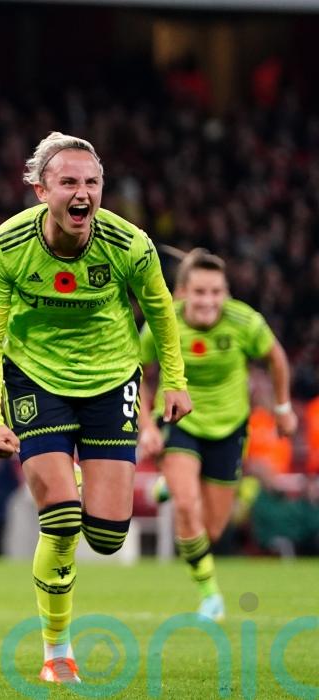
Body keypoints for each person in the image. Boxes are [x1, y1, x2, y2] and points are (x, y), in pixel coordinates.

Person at [0, 132, 191, 685]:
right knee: (62, 519)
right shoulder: (8, 245)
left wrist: (174, 382)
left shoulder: (129, 244)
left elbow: (162, 312)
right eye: (68, 181)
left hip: (111, 380)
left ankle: (72, 477)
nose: (82, 193)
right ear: (40, 189)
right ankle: (58, 653)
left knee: (108, 537)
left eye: (92, 182)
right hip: (35, 378)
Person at [137, 248, 296, 621]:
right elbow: (137, 372)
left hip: (229, 427)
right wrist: (147, 427)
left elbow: (276, 357)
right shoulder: (163, 321)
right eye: (200, 292)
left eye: (215, 292)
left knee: (210, 529)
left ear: (226, 293)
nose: (208, 301)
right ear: (183, 293)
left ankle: (171, 486)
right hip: (179, 420)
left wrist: (283, 408)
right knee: (187, 506)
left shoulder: (245, 321)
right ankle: (210, 594)